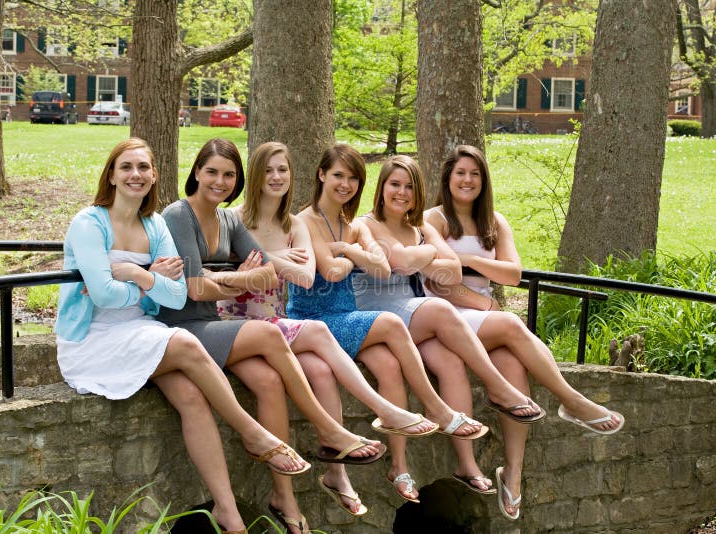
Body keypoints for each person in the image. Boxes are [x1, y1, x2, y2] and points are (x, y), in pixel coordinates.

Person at [55, 138, 310, 534]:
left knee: (191, 397)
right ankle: (253, 434)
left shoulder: (154, 225)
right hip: (93, 338)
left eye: (143, 167)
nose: (135, 174)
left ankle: (229, 513)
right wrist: (153, 281)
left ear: (155, 175)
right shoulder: (89, 223)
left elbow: (175, 293)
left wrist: (139, 276)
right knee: (187, 343)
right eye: (126, 167)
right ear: (111, 174)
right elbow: (103, 295)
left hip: (141, 330)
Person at [157, 138, 386, 534]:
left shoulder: (228, 221)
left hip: (211, 325)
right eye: (211, 172)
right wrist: (237, 278)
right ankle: (329, 430)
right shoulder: (179, 214)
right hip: (180, 327)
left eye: (229, 175)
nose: (220, 181)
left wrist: (232, 276)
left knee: (268, 380)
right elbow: (194, 289)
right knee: (269, 336)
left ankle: (285, 497)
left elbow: (267, 271)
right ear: (195, 172)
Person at [218, 142, 438, 522]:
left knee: (323, 370)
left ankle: (329, 474)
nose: (276, 178)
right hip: (250, 323)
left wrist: (280, 260)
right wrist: (277, 260)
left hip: (279, 322)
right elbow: (311, 274)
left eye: (283, 171)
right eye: (269, 170)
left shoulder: (293, 225)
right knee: (365, 327)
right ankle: (388, 412)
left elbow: (305, 274)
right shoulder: (234, 220)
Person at [288, 144, 499, 506]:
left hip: (346, 318)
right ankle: (437, 408)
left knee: (388, 364)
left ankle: (388, 468)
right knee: (389, 324)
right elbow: (330, 270)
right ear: (321, 175)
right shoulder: (303, 221)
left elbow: (383, 267)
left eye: (354, 178)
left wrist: (349, 248)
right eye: (339, 175)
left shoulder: (351, 226)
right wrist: (356, 253)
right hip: (313, 319)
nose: (346, 184)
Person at [423, 144, 625, 520]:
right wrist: (481, 289)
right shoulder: (432, 220)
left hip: (482, 320)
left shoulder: (494, 223)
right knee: (512, 324)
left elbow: (513, 274)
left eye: (475, 174)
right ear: (448, 178)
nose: (468, 180)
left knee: (514, 370)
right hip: (447, 317)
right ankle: (571, 400)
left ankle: (512, 472)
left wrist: (465, 260)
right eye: (461, 173)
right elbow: (438, 277)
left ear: (483, 181)